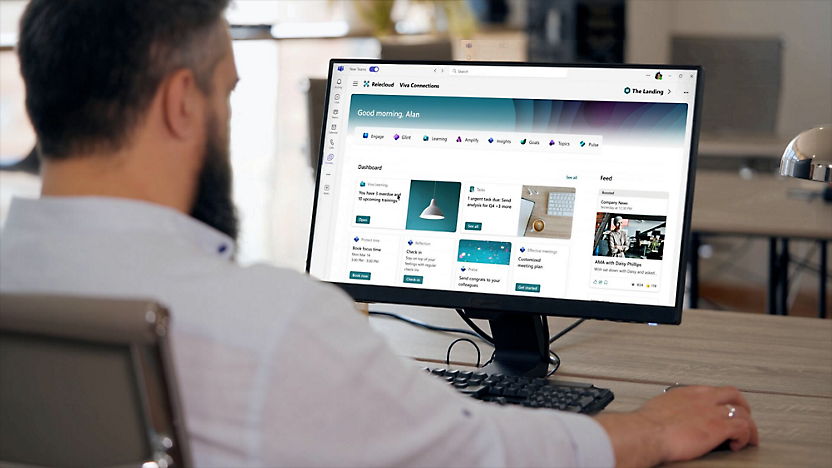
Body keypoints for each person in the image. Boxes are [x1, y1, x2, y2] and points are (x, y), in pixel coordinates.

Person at [0, 1, 758, 467]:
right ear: (180, 105)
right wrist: (653, 430)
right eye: (227, 92)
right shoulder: (270, 326)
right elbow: (481, 453)